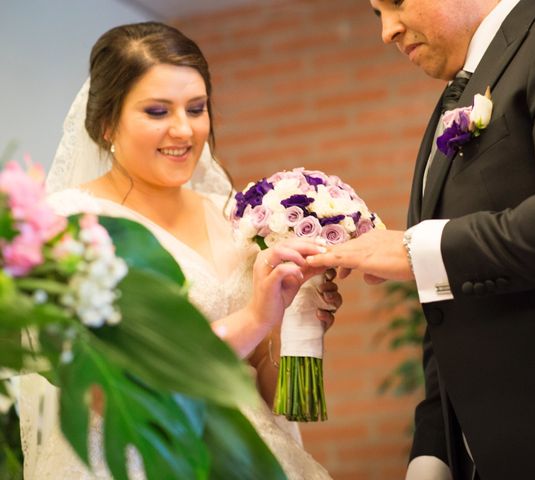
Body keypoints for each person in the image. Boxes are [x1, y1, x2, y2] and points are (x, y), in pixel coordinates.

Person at [307, 0, 535, 479]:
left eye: (396, 4)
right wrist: (435, 453)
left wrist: (413, 249)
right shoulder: (459, 93)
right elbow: (454, 305)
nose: (387, 31)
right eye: (375, 13)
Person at [18, 22, 340, 479]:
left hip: (249, 455)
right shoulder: (67, 225)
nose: (183, 130)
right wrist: (252, 319)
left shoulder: (231, 214)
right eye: (156, 111)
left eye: (196, 108)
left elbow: (261, 389)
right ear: (106, 122)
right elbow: (96, 387)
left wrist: (291, 319)